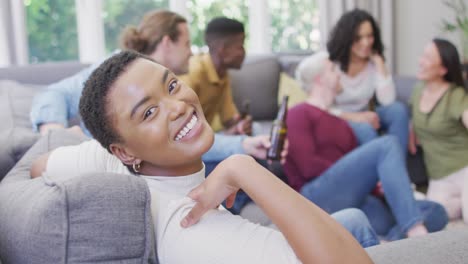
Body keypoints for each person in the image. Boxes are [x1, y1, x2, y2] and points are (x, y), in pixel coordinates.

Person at [31, 50, 376, 263]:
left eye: (170, 86)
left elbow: (38, 167)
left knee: (354, 219)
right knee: (360, 222)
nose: (178, 106)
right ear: (124, 150)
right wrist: (242, 169)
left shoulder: (108, 159)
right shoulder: (192, 230)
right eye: (148, 113)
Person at [28, 9, 270, 169]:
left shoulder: (174, 90)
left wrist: (241, 144)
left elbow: (186, 135)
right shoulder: (114, 76)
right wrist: (54, 130)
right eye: (186, 43)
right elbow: (53, 93)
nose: (191, 51)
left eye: (172, 86)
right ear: (167, 43)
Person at [288, 51, 448, 241]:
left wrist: (376, 184)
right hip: (315, 198)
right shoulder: (298, 113)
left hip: (354, 200)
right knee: (386, 144)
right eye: (332, 69)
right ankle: (414, 230)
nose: (339, 74)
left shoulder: (343, 124)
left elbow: (356, 173)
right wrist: (357, 172)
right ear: (319, 79)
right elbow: (307, 166)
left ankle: (392, 245)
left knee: (436, 211)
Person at [326, 9, 409, 148]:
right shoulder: (332, 65)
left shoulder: (373, 64)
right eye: (358, 38)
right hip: (340, 118)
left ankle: (395, 165)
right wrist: (357, 118)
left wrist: (379, 62)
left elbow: (387, 101)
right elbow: (322, 108)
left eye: (369, 36)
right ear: (346, 38)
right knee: (366, 130)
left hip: (366, 114)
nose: (366, 43)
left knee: (398, 110)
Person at [408, 38, 468, 223]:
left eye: (427, 57)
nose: (420, 61)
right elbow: (415, 123)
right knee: (436, 217)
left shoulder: (454, 96)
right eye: (422, 55)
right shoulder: (417, 91)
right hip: (439, 178)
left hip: (464, 168)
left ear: (443, 69)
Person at [180, 17, 252, 135]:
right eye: (240, 46)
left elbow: (228, 119)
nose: (244, 52)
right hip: (191, 138)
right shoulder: (194, 73)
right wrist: (229, 134)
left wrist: (240, 124)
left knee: (256, 129)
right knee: (241, 142)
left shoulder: (222, 74)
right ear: (223, 50)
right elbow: (184, 129)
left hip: (208, 134)